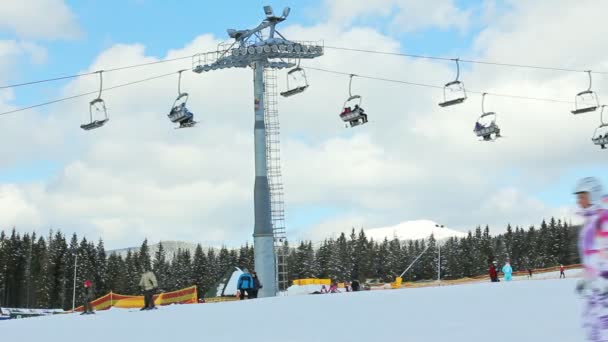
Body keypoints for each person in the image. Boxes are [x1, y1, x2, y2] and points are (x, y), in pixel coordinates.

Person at [574, 177, 608, 341]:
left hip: (604, 288)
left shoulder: (603, 219)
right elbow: (590, 257)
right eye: (578, 197)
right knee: (591, 325)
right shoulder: (590, 221)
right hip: (594, 288)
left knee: (604, 326)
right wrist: (586, 280)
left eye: (582, 196)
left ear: (593, 195)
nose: (578, 200)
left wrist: (605, 279)